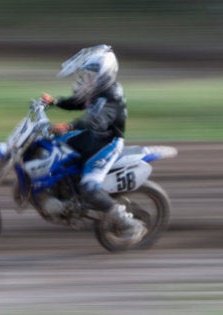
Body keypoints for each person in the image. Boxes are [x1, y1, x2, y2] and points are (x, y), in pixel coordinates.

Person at [41, 44, 146, 245]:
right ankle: (63, 190)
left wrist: (69, 125)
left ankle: (130, 225)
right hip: (92, 137)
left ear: (104, 75)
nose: (84, 80)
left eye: (89, 76)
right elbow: (77, 103)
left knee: (89, 187)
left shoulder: (111, 97)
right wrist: (54, 101)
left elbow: (96, 120)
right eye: (84, 75)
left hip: (106, 144)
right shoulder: (98, 91)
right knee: (52, 145)